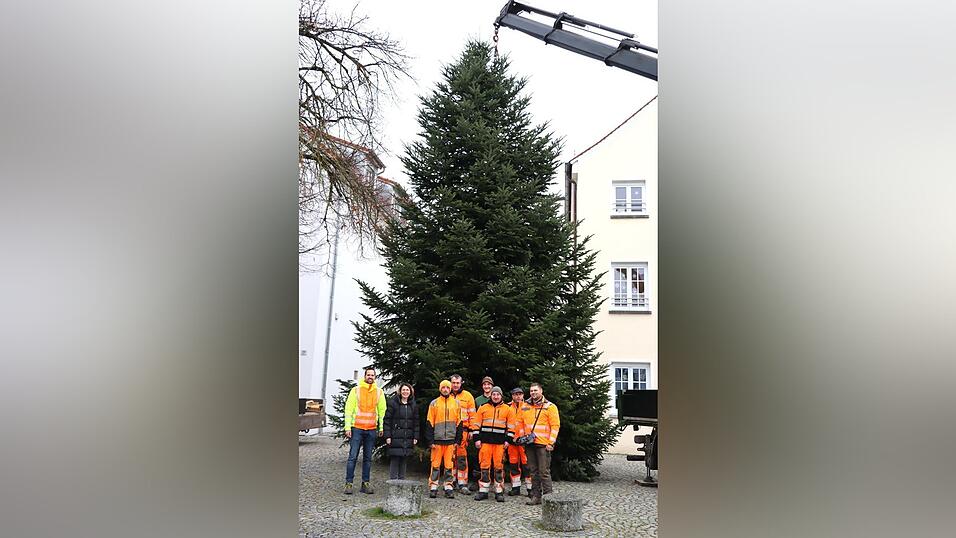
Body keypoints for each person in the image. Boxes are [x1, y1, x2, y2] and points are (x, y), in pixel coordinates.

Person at [515, 382, 560, 505]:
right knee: (533, 472)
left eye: (535, 390)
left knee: (544, 472)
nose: (533, 393)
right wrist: (521, 437)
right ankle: (536, 497)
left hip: (543, 444)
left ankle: (549, 498)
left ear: (541, 391)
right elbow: (519, 422)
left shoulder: (550, 407)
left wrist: (551, 442)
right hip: (529, 444)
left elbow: (555, 426)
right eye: (531, 391)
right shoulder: (524, 406)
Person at [343, 367, 386, 495]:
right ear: (365, 376)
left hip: (371, 429)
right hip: (357, 428)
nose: (370, 377)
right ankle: (348, 483)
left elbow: (382, 411)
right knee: (352, 457)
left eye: (372, 375)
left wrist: (381, 427)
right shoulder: (355, 391)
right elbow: (348, 409)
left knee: (368, 458)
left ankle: (365, 483)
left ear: (375, 377)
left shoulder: (379, 392)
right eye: (368, 375)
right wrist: (347, 427)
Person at [470, 386, 515, 502]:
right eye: (494, 394)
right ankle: (483, 491)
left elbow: (511, 427)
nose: (495, 397)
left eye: (498, 395)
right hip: (485, 443)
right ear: (491, 395)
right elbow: (476, 425)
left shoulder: (508, 409)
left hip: (499, 444)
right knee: (484, 466)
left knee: (498, 467)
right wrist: (477, 439)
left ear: (501, 396)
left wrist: (508, 441)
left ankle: (499, 491)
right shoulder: (483, 408)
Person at [424, 380, 463, 498]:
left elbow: (459, 423)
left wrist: (457, 440)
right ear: (440, 389)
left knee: (449, 465)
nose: (445, 389)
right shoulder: (434, 403)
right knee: (435, 465)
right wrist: (430, 441)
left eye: (447, 387)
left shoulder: (456, 403)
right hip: (437, 441)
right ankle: (433, 486)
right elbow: (429, 422)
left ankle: (448, 486)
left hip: (451, 441)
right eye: (443, 387)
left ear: (450, 389)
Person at [383, 382, 419, 480]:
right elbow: (387, 420)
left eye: (407, 390)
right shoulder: (393, 403)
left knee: (404, 459)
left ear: (410, 391)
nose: (405, 392)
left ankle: (402, 483)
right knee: (395, 459)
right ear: (400, 391)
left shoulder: (413, 405)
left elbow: (416, 422)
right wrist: (388, 436)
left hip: (407, 437)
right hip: (395, 436)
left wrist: (416, 437)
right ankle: (393, 483)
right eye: (403, 390)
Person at [449, 374, 476, 495]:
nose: (455, 385)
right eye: (453, 382)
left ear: (461, 383)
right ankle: (451, 481)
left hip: (464, 431)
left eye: (457, 383)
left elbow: (473, 415)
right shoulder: (446, 395)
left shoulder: (468, 396)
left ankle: (462, 482)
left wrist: (471, 430)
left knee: (461, 457)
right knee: (450, 457)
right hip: (449, 431)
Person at [506, 387, 533, 496]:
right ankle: (515, 487)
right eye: (515, 394)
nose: (518, 396)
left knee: (527, 466)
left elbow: (531, 422)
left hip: (524, 441)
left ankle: (531, 489)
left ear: (523, 395)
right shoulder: (507, 407)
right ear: (512, 396)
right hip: (512, 441)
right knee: (513, 465)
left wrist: (527, 438)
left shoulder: (528, 406)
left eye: (520, 394)